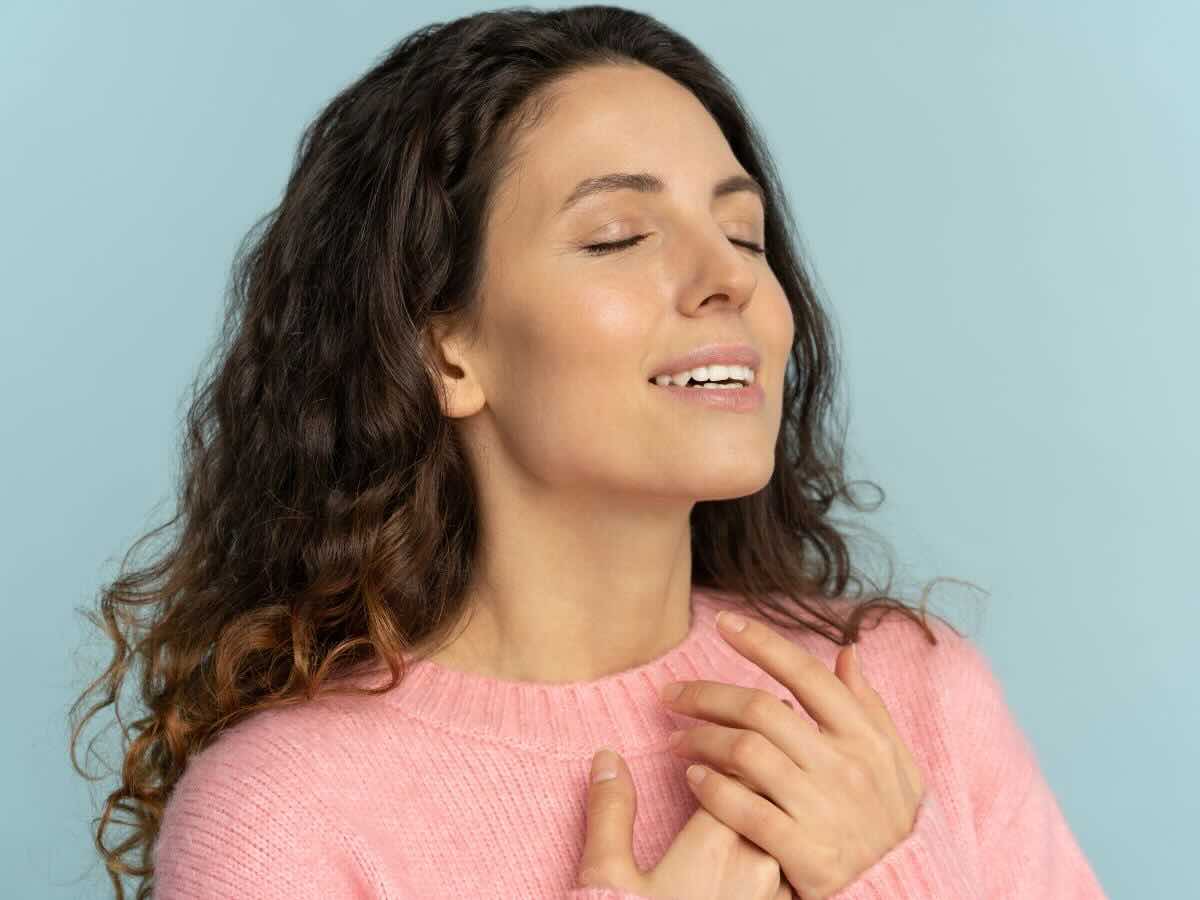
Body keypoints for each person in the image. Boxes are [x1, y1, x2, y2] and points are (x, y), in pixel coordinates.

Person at [69, 5, 1108, 898]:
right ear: (444, 349)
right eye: (618, 237)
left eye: (746, 236)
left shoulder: (901, 693)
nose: (729, 280)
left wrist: (891, 876)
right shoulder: (282, 818)